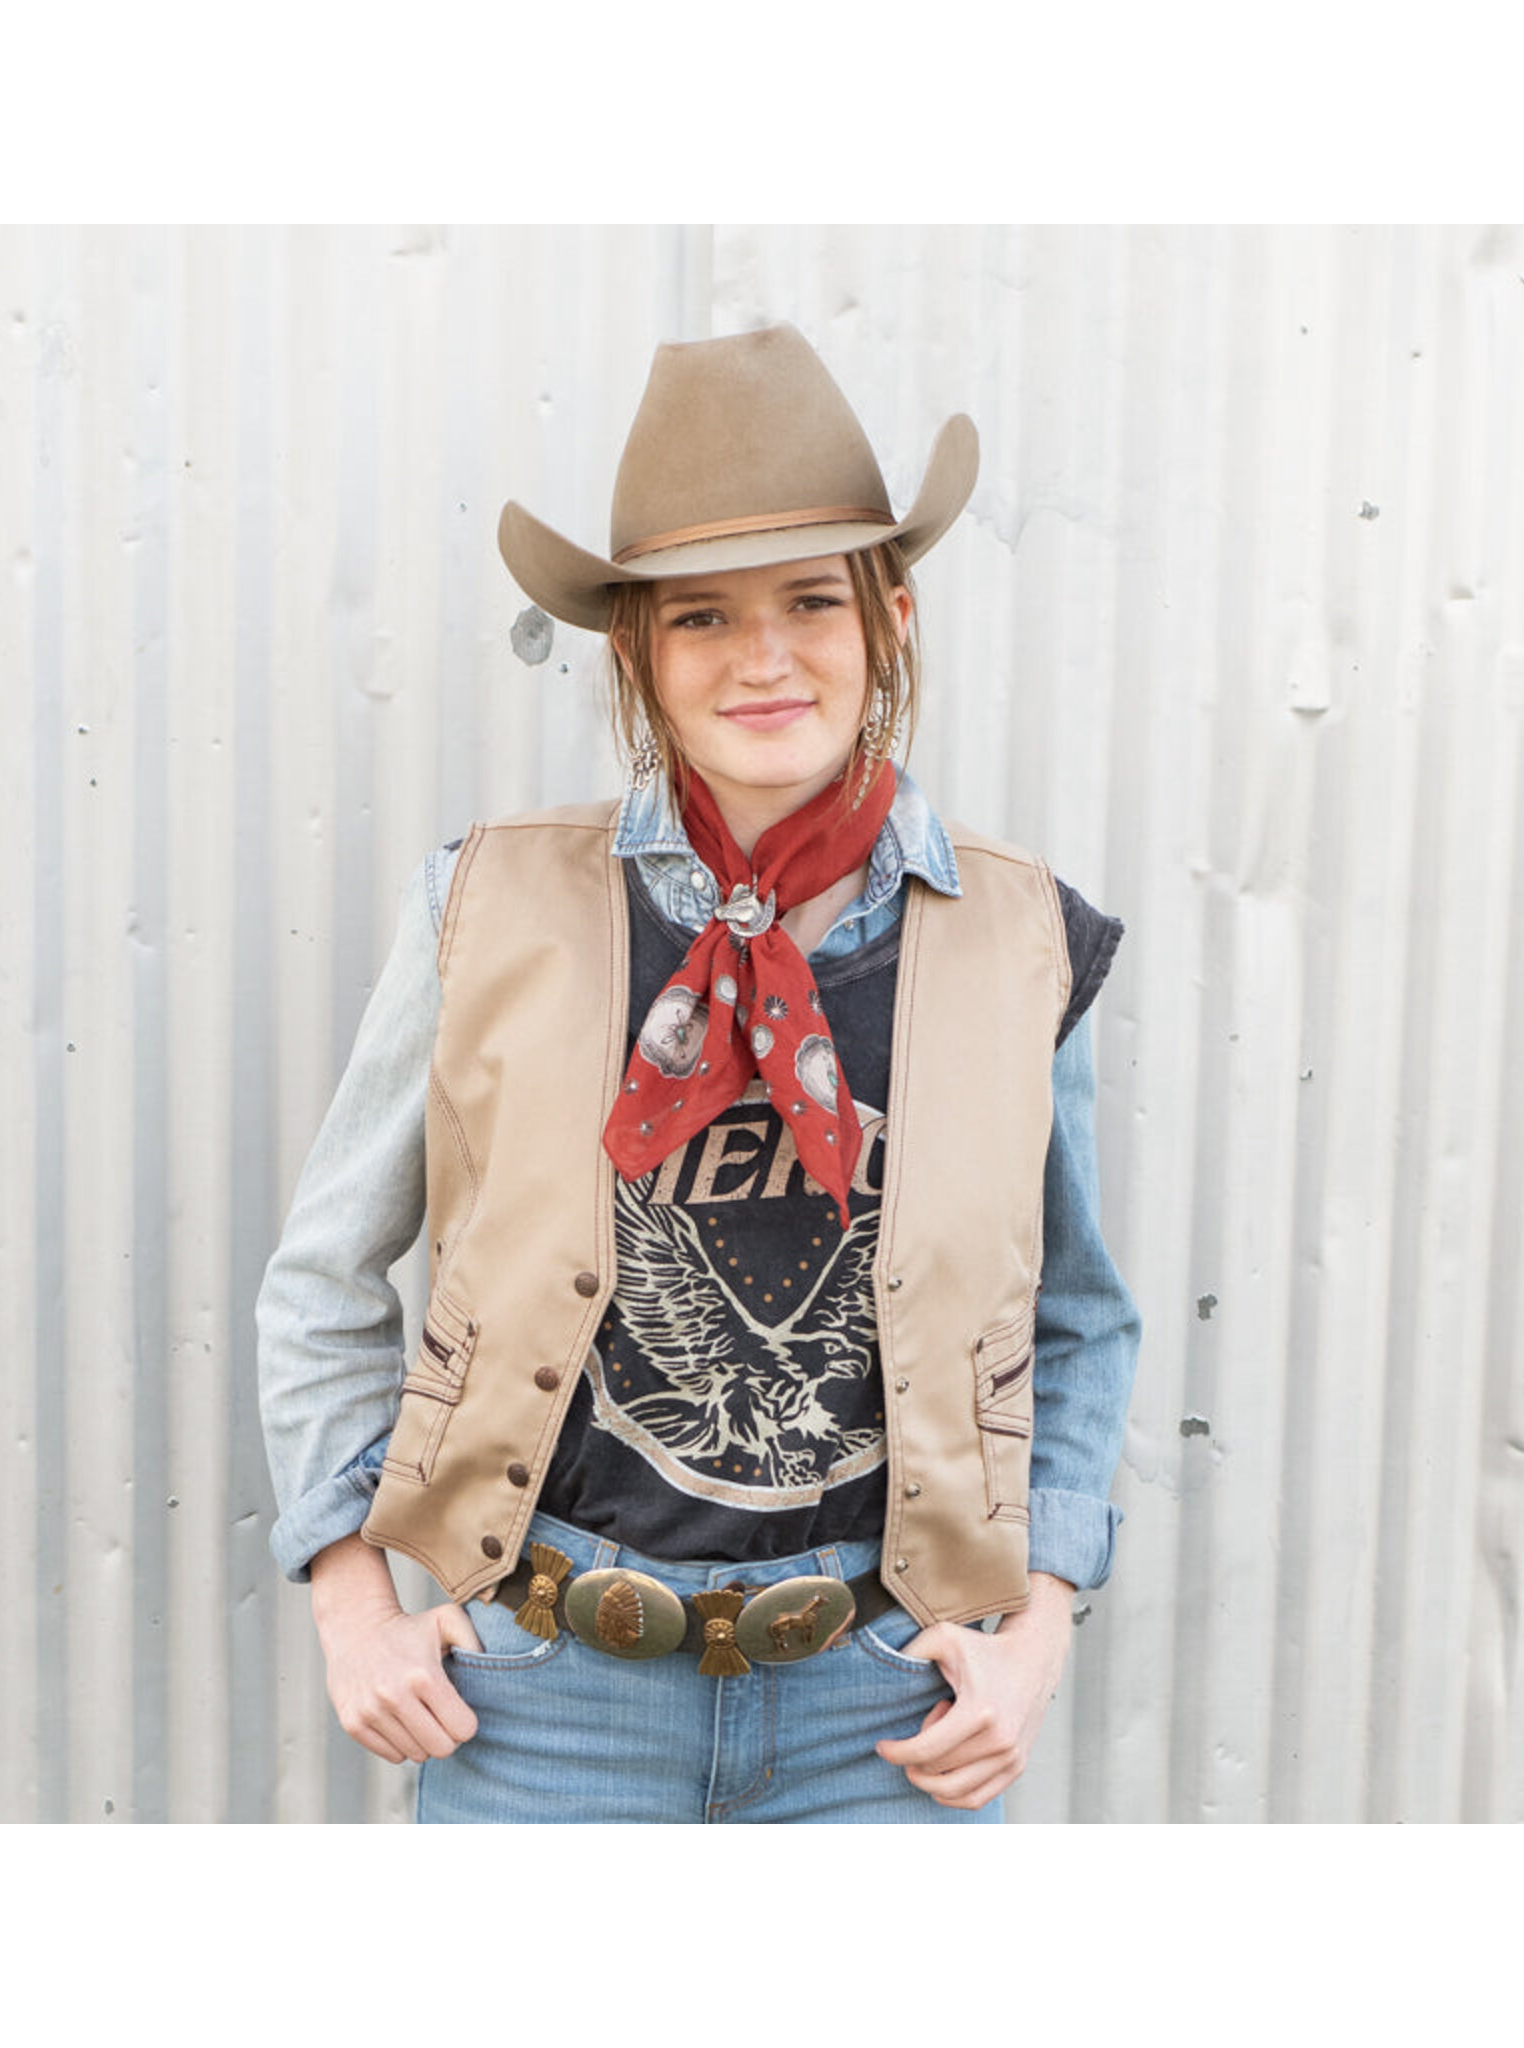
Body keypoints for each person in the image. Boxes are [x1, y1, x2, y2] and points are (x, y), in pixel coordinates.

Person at [257, 322, 1140, 1823]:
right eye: (702, 619)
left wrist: (1036, 1633)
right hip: (540, 1710)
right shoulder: (485, 906)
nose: (766, 659)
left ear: (895, 617)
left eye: (812, 601)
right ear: (635, 654)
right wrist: (351, 1598)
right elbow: (326, 1273)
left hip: (879, 1708)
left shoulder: (1020, 938)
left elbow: (1077, 1315)